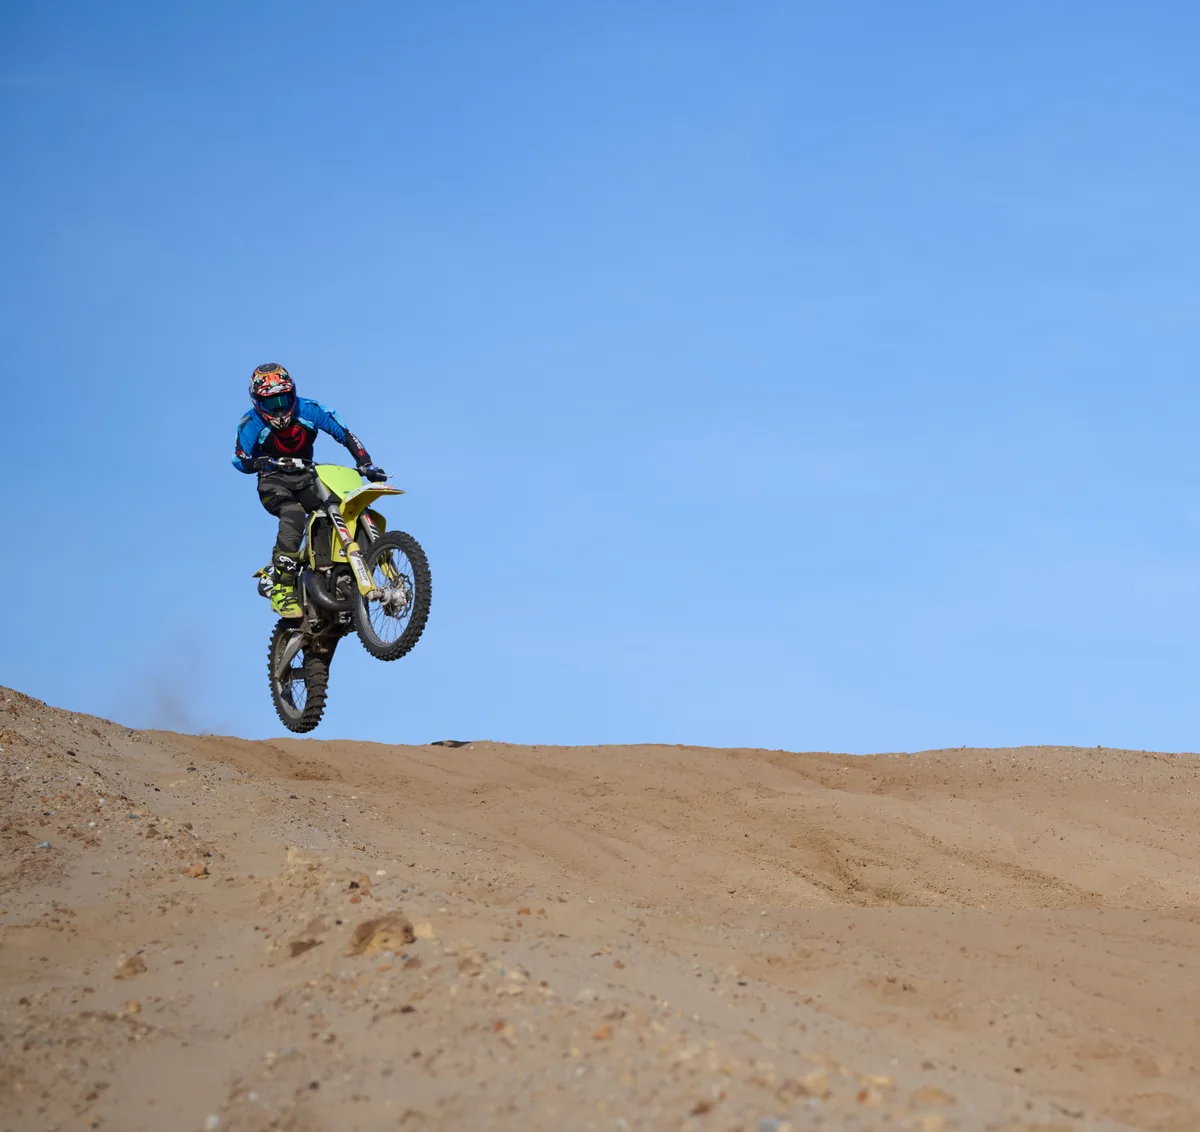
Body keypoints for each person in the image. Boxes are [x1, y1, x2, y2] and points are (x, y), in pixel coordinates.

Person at [232, 363, 387, 618]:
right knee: (292, 514)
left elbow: (345, 434)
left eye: (284, 399)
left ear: (293, 393)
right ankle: (281, 586)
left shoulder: (310, 410)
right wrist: (256, 462)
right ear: (259, 403)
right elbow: (239, 457)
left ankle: (336, 569)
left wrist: (365, 462)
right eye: (272, 403)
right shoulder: (251, 422)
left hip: (308, 476)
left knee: (339, 506)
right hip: (273, 480)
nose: (280, 408)